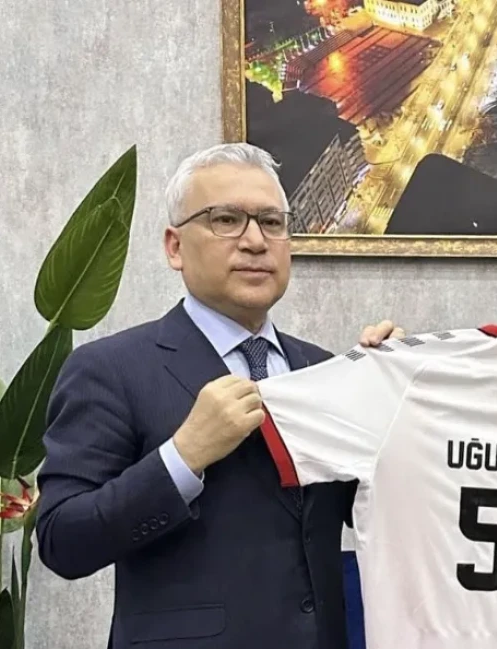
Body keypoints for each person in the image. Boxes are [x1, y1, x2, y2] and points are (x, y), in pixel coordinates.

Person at [35, 143, 402, 649]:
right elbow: (62, 541)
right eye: (226, 219)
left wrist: (397, 396)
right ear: (175, 247)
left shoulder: (325, 371)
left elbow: (384, 521)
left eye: (271, 222)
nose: (255, 241)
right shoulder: (110, 369)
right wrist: (182, 457)